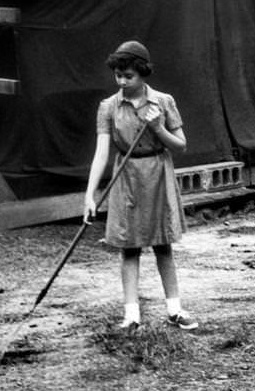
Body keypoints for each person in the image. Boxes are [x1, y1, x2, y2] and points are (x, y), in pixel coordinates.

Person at [83, 40, 198, 331]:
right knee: (129, 248)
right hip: (127, 175)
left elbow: (181, 146)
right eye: (118, 75)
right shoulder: (108, 106)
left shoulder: (164, 101)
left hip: (158, 173)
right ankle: (131, 315)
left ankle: (175, 310)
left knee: (163, 245)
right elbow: (101, 153)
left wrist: (158, 127)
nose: (122, 81)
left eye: (128, 76)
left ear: (142, 73)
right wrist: (90, 195)